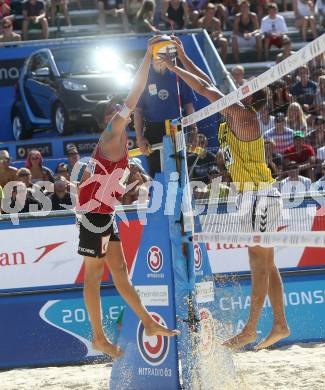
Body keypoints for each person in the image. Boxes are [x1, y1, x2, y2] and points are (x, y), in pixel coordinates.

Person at [159, 36, 290, 349]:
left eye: (239, 88)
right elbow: (206, 84)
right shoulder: (234, 115)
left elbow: (206, 90)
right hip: (253, 197)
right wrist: (183, 57)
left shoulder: (243, 116)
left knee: (259, 264)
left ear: (246, 97)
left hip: (260, 196)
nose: (233, 89)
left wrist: (171, 67)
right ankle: (281, 324)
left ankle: (250, 328)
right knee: (267, 264)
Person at [76, 38, 179, 359]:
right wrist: (148, 56)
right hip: (94, 213)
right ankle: (98, 338)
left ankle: (148, 322)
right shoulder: (110, 134)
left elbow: (133, 102)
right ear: (108, 118)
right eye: (113, 110)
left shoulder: (119, 141)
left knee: (120, 274)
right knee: (93, 276)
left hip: (103, 213)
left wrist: (142, 142)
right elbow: (135, 94)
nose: (119, 110)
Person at [134, 38, 196, 177]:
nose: (165, 56)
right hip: (153, 129)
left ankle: (181, 199)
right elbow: (137, 110)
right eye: (162, 52)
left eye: (169, 52)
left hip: (176, 127)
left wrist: (193, 129)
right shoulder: (145, 75)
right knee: (157, 174)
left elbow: (189, 104)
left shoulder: (178, 73)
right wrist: (139, 137)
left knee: (179, 173)